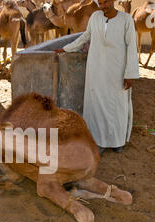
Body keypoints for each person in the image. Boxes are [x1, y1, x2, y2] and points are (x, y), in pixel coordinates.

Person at [55, 0, 139, 155]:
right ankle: (98, 141)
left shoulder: (126, 20)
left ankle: (117, 141)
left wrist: (130, 73)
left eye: (106, 2)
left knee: (118, 105)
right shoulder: (95, 17)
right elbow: (85, 37)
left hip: (117, 70)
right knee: (96, 105)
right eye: (100, 3)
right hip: (96, 69)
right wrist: (66, 48)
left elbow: (132, 47)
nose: (103, 6)